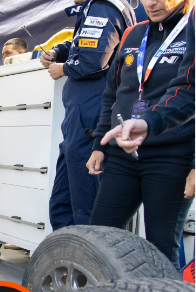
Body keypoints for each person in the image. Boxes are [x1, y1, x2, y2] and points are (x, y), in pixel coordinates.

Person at [86, 0, 195, 266]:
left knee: (160, 249)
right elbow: (112, 94)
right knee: (98, 239)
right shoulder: (133, 34)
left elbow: (190, 93)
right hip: (123, 156)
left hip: (171, 158)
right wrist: (99, 145)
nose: (152, 3)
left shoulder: (190, 28)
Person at [41, 0, 136, 230]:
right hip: (80, 115)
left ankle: (87, 250)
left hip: (91, 113)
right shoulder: (94, 7)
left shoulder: (103, 7)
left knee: (86, 201)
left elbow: (93, 60)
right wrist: (58, 51)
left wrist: (64, 68)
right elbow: (83, 44)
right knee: (63, 201)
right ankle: (67, 248)